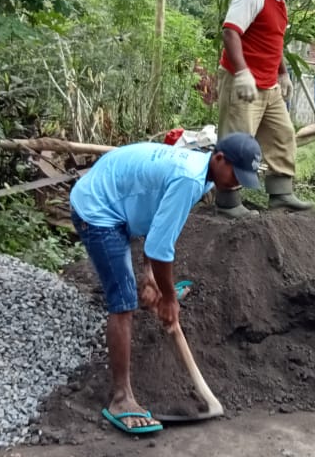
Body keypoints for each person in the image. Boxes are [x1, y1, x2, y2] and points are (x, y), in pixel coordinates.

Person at [69, 133, 262, 435]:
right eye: (237, 174)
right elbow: (161, 248)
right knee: (122, 302)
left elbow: (156, 220)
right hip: (97, 210)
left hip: (116, 199)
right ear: (220, 159)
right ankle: (121, 399)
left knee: (141, 283)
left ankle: (145, 286)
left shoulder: (203, 173)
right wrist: (169, 297)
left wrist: (150, 276)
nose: (238, 183)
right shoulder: (189, 178)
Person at [215, 0, 315, 218]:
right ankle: (227, 201)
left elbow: (273, 41)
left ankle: (281, 193)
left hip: (268, 85)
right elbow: (230, 32)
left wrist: (282, 72)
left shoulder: (279, 2)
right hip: (244, 83)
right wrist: (242, 72)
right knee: (236, 141)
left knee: (282, 135)